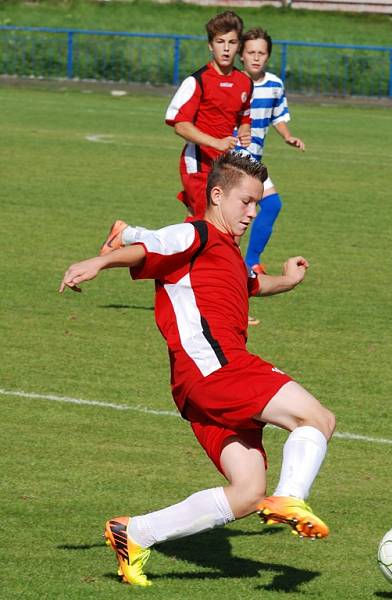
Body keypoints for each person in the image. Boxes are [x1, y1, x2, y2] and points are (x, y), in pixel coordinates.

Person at [61, 152, 336, 587]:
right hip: (218, 370)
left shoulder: (223, 251)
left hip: (197, 388)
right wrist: (99, 261)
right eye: (246, 201)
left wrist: (288, 280)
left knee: (247, 493)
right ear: (217, 194)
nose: (252, 212)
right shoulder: (198, 232)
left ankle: (134, 533)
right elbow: (150, 246)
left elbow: (252, 284)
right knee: (317, 418)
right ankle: (290, 498)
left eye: (257, 205)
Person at [163, 10, 253, 219]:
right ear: (210, 45)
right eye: (220, 42)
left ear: (239, 46)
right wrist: (215, 142)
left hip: (224, 166)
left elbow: (243, 115)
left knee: (217, 227)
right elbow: (180, 125)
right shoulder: (197, 81)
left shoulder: (244, 82)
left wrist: (245, 130)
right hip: (197, 164)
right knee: (209, 227)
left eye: (231, 42)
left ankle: (129, 235)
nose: (226, 48)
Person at [236, 26, 306, 276]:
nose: (256, 57)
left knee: (268, 206)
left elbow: (277, 115)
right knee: (264, 205)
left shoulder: (275, 84)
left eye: (261, 53)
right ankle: (246, 263)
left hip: (253, 157)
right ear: (241, 55)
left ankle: (247, 262)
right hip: (234, 156)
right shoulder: (234, 82)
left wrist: (288, 136)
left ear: (268, 56)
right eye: (251, 52)